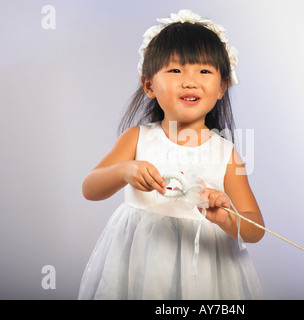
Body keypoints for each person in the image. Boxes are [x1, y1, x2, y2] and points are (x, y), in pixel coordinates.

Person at [78, 9, 265, 300]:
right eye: (176, 70)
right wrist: (124, 170)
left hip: (204, 270)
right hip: (139, 264)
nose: (190, 81)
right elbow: (90, 188)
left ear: (222, 86)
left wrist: (228, 218)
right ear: (149, 85)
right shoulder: (138, 138)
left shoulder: (226, 153)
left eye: (204, 71)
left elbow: (255, 228)